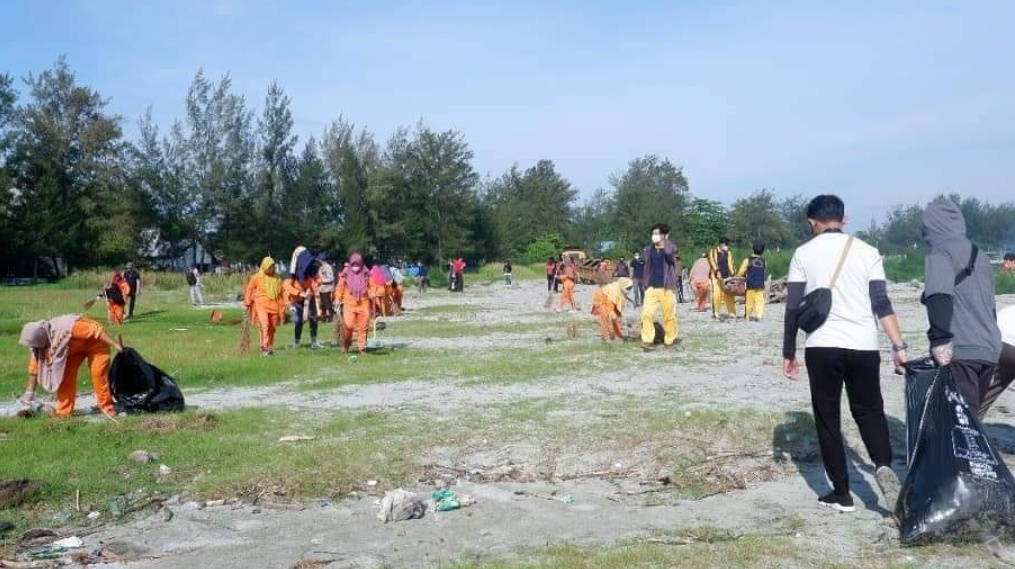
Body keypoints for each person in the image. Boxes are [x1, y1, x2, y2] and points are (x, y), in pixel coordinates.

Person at [782, 194, 906, 513]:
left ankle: (842, 494)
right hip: (864, 344)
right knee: (869, 410)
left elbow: (793, 309)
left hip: (822, 345)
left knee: (827, 418)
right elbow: (881, 303)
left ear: (812, 222)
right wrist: (898, 347)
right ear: (844, 219)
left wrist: (788, 352)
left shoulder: (803, 253)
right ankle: (882, 465)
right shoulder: (868, 252)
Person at [921, 200, 1002, 412]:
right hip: (990, 346)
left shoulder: (939, 252)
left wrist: (940, 341)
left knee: (960, 422)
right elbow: (989, 305)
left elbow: (939, 296)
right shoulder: (980, 255)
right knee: (970, 417)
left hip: (962, 349)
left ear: (932, 225)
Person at [18, 314, 123, 419]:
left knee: (98, 374)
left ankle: (107, 407)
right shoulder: (41, 343)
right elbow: (35, 366)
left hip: (96, 343)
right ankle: (64, 412)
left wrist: (115, 345)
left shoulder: (69, 327)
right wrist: (29, 392)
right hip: (73, 349)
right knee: (65, 376)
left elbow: (97, 331)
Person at [639, 223, 680, 350]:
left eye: (657, 233)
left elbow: (672, 257)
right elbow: (647, 268)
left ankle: (669, 341)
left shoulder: (671, 248)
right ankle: (647, 340)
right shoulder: (649, 249)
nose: (654, 236)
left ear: (664, 235)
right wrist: (645, 284)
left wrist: (665, 243)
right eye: (653, 233)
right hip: (651, 287)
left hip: (666, 287)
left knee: (669, 316)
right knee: (646, 314)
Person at [244, 257, 284, 357]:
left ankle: (269, 346)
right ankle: (264, 347)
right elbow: (249, 289)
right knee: (264, 325)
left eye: (273, 266)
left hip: (274, 306)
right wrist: (247, 302)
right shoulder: (257, 277)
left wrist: (285, 305)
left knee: (272, 328)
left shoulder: (278, 278)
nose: (271, 268)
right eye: (269, 267)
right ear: (265, 266)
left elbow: (282, 292)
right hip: (261, 305)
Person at [337, 253, 374, 354]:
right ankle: (346, 344)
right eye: (353, 265)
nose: (355, 267)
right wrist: (337, 298)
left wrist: (372, 292)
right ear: (350, 264)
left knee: (363, 327)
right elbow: (340, 287)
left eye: (357, 265)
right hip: (349, 303)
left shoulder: (366, 273)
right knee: (348, 326)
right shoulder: (345, 273)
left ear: (361, 264)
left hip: (364, 302)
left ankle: (362, 348)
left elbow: (372, 285)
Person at [283, 271, 322, 349]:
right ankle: (296, 342)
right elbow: (286, 287)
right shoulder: (292, 276)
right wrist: (298, 295)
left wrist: (318, 308)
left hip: (310, 299)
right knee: (298, 320)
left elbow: (316, 289)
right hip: (297, 301)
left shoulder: (310, 276)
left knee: (313, 318)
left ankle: (314, 342)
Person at [591, 277, 634, 341]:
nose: (629, 290)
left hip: (607, 301)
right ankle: (606, 337)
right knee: (606, 318)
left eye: (630, 288)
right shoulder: (614, 291)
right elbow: (611, 310)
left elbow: (619, 309)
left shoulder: (620, 290)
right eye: (628, 288)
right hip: (601, 300)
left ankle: (614, 334)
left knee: (614, 318)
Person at [738, 242, 767, 322]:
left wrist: (739, 277)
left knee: (749, 302)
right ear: (762, 251)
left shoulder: (747, 260)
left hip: (750, 284)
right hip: (760, 284)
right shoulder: (764, 261)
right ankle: (759, 316)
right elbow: (764, 272)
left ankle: (747, 316)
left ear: (753, 249)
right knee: (760, 301)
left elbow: (741, 271)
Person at [708, 238, 736, 320]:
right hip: (716, 277)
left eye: (728, 245)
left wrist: (733, 274)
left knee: (729, 294)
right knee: (716, 294)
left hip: (727, 277)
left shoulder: (729, 253)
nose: (727, 247)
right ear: (721, 244)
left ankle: (732, 312)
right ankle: (715, 312)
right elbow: (712, 261)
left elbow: (731, 263)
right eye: (726, 245)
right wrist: (717, 271)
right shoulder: (713, 251)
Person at [316, 253, 336, 323]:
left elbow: (331, 278)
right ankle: (323, 318)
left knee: (328, 304)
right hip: (322, 289)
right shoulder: (321, 267)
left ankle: (331, 318)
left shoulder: (328, 267)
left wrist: (322, 281)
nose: (318, 261)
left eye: (319, 259)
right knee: (323, 305)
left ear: (322, 259)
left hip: (327, 289)